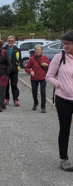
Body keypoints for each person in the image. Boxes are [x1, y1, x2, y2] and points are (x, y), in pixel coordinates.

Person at [46, 30, 73, 171]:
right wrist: (59, 85)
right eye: (64, 43)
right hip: (63, 99)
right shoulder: (59, 57)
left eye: (68, 43)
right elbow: (49, 76)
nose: (65, 46)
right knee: (65, 129)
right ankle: (64, 159)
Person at [25, 45, 50, 113]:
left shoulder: (45, 58)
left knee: (43, 92)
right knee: (34, 92)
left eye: (40, 49)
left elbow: (51, 67)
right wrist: (30, 71)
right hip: (34, 78)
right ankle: (35, 103)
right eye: (37, 49)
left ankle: (43, 107)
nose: (38, 50)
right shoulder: (32, 59)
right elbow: (26, 68)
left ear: (42, 51)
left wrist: (47, 65)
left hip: (43, 77)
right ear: (35, 51)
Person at [2, 35, 22, 106]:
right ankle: (7, 98)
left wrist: (18, 67)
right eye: (9, 41)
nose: (10, 42)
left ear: (14, 42)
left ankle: (15, 99)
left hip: (14, 70)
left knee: (14, 85)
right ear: (7, 41)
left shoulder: (17, 50)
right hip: (6, 70)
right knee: (6, 85)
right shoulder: (3, 49)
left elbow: (20, 60)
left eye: (12, 41)